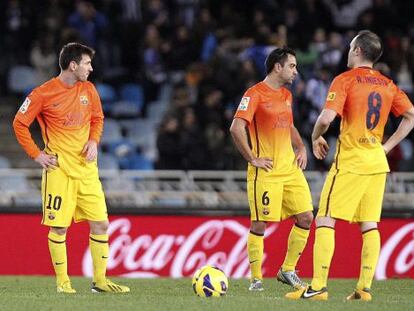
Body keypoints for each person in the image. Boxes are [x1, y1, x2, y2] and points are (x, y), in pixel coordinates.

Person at [286, 30, 414, 301]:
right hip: (377, 163)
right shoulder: (388, 84)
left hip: (351, 161)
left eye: (350, 46)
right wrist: (387, 147)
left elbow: (327, 116)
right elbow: (411, 116)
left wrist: (315, 135)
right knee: (369, 225)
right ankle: (363, 289)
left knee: (324, 219)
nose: (347, 50)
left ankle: (318, 286)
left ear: (357, 51)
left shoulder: (345, 80)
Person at [13, 43, 130, 294]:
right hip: (60, 171)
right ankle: (63, 283)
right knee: (59, 227)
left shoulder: (89, 89)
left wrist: (93, 141)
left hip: (87, 170)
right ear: (73, 65)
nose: (91, 68)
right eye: (87, 63)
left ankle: (100, 282)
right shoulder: (42, 94)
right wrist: (36, 154)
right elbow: (19, 123)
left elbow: (97, 119)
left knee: (101, 224)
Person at [230, 47, 314, 291]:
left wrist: (300, 146)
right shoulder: (254, 94)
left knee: (307, 217)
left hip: (290, 169)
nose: (296, 71)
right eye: (292, 66)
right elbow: (236, 128)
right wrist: (252, 158)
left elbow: (288, 124)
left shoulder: (287, 95)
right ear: (278, 67)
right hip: (265, 172)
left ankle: (287, 270)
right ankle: (256, 279)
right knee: (259, 224)